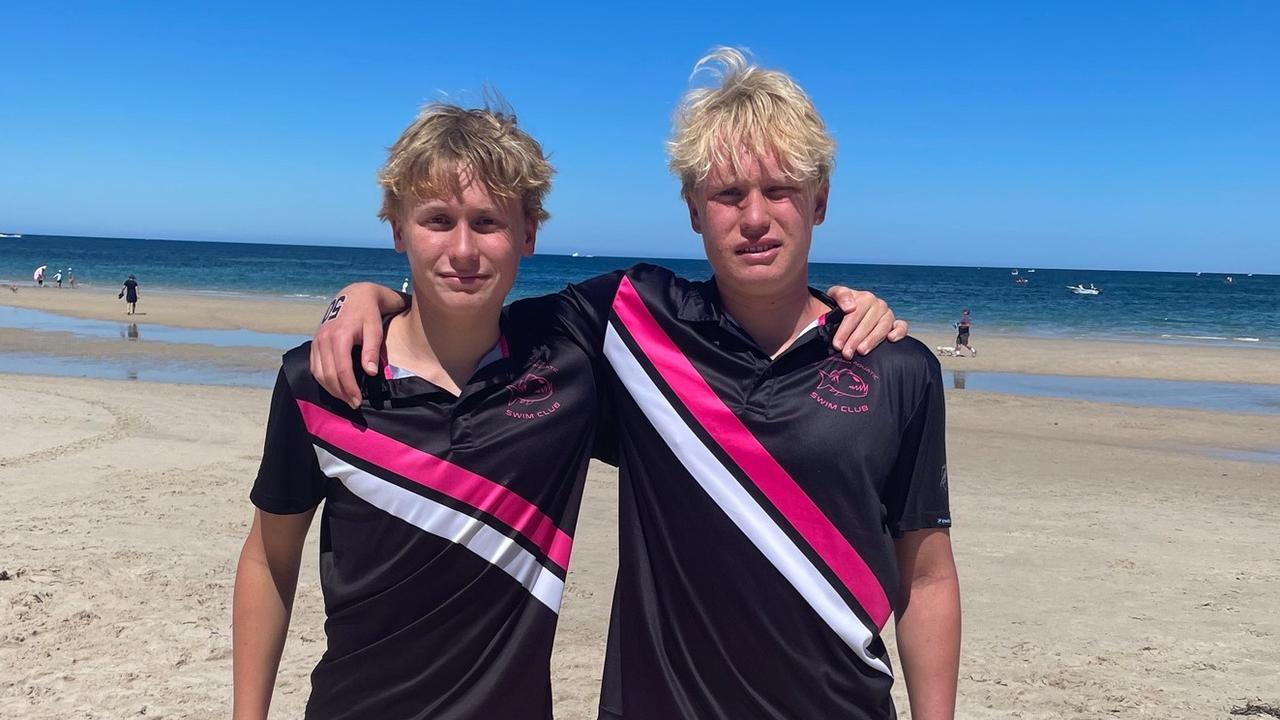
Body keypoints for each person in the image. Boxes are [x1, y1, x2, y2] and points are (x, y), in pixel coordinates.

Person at [312, 48, 958, 720]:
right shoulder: (630, 319)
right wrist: (370, 296)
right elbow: (469, 305)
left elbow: (928, 575)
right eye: (729, 194)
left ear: (819, 201)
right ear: (693, 211)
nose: (756, 217)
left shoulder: (897, 367)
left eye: (781, 190)